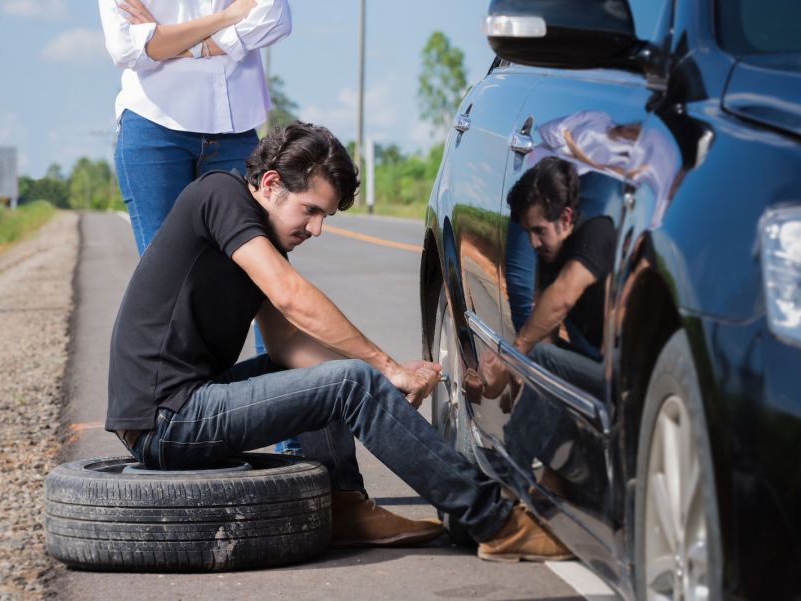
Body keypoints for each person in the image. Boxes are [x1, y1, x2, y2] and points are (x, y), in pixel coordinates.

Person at [104, 122, 572, 561]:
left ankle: (344, 507)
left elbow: (286, 344)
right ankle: (494, 523)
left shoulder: (258, 233)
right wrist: (383, 366)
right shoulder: (220, 195)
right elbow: (292, 299)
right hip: (167, 418)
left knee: (341, 379)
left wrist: (378, 387)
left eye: (324, 216)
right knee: (352, 381)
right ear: (270, 184)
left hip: (183, 407)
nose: (316, 229)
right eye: (310, 210)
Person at [99, 0, 293, 446]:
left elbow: (275, 18)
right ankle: (178, 424)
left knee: (270, 282)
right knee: (172, 290)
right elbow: (128, 49)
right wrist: (227, 21)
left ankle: (293, 445)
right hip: (154, 132)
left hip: (237, 132)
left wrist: (173, 42)